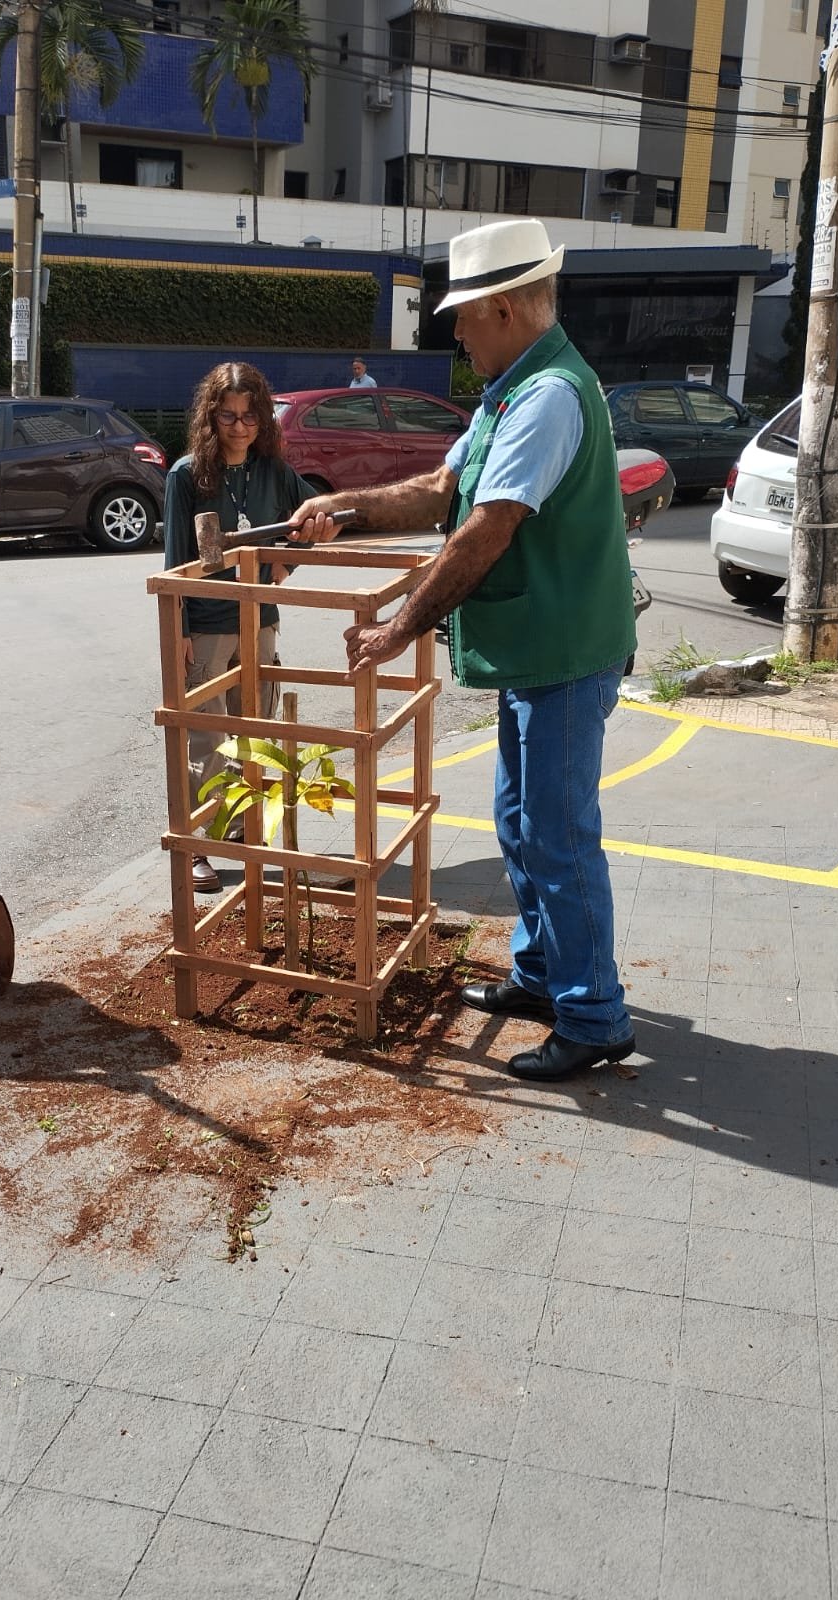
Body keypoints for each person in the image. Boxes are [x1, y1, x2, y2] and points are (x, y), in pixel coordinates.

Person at [289, 219, 637, 1083]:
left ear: (510, 310)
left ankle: (595, 1016)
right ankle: (542, 975)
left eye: (466, 315)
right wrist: (351, 508)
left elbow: (485, 530)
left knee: (558, 836)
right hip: (536, 648)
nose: (455, 330)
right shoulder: (510, 392)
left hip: (562, 649)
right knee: (522, 825)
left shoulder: (550, 395)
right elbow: (445, 489)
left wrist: (398, 626)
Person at [163, 362, 315, 893]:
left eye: (250, 415)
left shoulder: (275, 472)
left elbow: (311, 519)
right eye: (228, 415)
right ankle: (199, 846)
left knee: (255, 731)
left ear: (263, 417)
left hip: (260, 621)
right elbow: (174, 559)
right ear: (211, 416)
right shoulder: (186, 476)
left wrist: (288, 562)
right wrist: (178, 627)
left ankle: (243, 832)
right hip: (205, 624)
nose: (239, 426)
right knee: (206, 740)